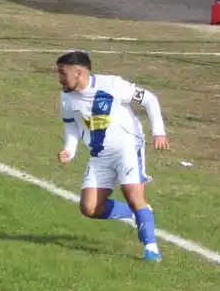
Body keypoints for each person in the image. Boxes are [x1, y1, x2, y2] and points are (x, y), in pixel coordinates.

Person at [55, 50, 171, 263]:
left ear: (78, 73)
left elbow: (149, 99)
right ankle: (138, 212)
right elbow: (71, 127)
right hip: (99, 154)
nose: (59, 78)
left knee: (133, 195)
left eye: (63, 73)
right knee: (89, 208)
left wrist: (158, 132)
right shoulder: (66, 98)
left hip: (127, 146)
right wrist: (69, 150)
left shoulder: (112, 85)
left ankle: (151, 249)